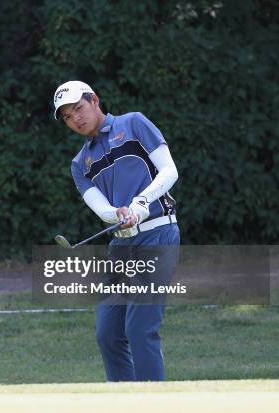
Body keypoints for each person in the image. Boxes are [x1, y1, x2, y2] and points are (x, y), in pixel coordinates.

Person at [52, 80, 181, 382]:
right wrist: (117, 214)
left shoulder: (134, 123)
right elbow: (101, 208)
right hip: (121, 247)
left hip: (157, 235)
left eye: (78, 109)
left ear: (94, 100)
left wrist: (140, 202)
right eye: (68, 117)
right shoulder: (79, 164)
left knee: (139, 329)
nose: (76, 119)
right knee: (108, 334)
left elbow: (169, 170)